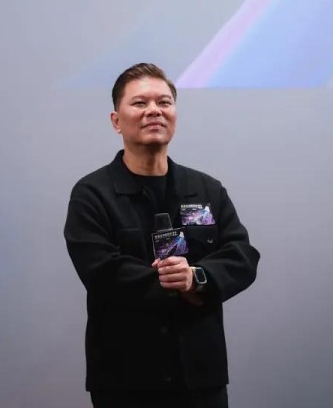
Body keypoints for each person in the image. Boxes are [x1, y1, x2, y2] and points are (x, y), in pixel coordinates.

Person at [64, 63, 259, 408]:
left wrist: (197, 277)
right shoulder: (92, 194)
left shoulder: (206, 190)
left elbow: (242, 256)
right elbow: (101, 271)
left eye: (164, 102)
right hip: (126, 380)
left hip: (200, 377)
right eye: (140, 103)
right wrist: (174, 284)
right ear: (116, 121)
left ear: (174, 115)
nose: (154, 110)